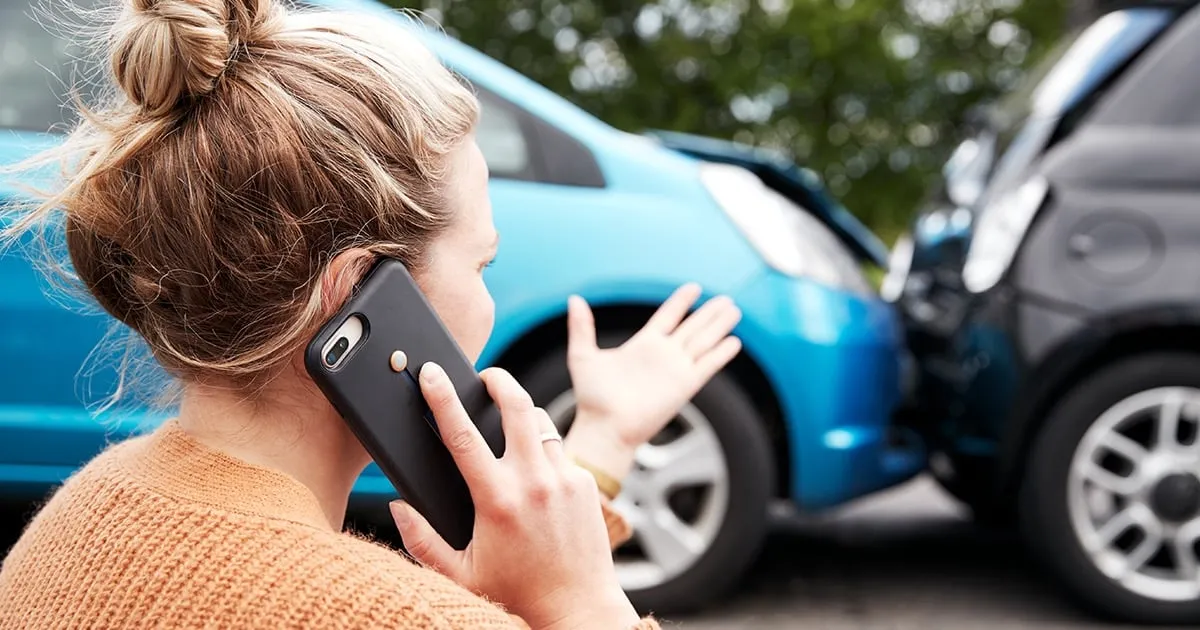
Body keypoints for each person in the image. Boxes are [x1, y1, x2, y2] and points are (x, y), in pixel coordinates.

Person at [0, 0, 746, 627]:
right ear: (356, 293)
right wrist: (583, 604)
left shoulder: (87, 509)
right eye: (481, 263)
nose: (487, 294)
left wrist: (605, 444)